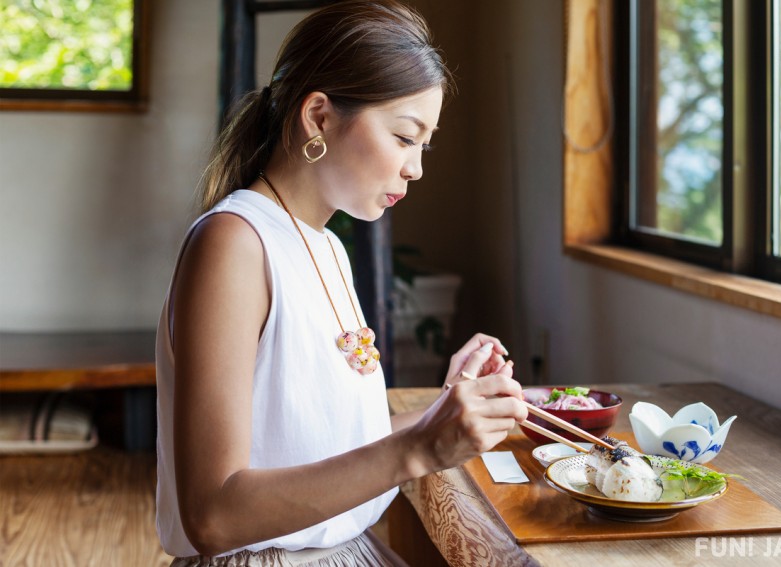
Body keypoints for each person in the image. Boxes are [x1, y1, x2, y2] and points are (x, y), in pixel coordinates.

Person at [155, 1, 527, 564]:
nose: (416, 168)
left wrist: (445, 412)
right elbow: (213, 515)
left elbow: (323, 443)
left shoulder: (325, 244)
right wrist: (421, 445)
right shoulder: (234, 244)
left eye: (425, 144)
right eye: (405, 137)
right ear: (320, 117)